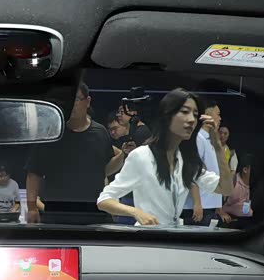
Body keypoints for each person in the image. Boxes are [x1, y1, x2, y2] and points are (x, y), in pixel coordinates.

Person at [96, 88, 234, 227]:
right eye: (185, 112)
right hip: (148, 235)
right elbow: (104, 200)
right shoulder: (142, 156)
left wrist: (218, 147)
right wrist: (136, 212)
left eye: (195, 115)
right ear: (167, 115)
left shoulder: (185, 160)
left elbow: (226, 189)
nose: (192, 120)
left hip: (173, 234)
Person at [26, 82, 124, 225]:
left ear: (87, 101)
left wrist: (123, 155)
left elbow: (104, 169)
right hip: (57, 212)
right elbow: (34, 172)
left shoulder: (100, 133)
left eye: (76, 99)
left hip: (94, 212)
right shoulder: (50, 133)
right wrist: (31, 208)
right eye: (67, 100)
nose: (71, 104)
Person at [181, 100, 223, 225]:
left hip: (209, 202)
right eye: (218, 114)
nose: (220, 118)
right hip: (198, 206)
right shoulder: (198, 138)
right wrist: (197, 202)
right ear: (207, 115)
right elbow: (192, 170)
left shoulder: (210, 139)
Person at [218, 153, 254, 230]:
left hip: (246, 221)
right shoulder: (233, 181)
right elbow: (217, 197)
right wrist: (221, 212)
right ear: (245, 170)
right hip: (230, 220)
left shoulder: (254, 185)